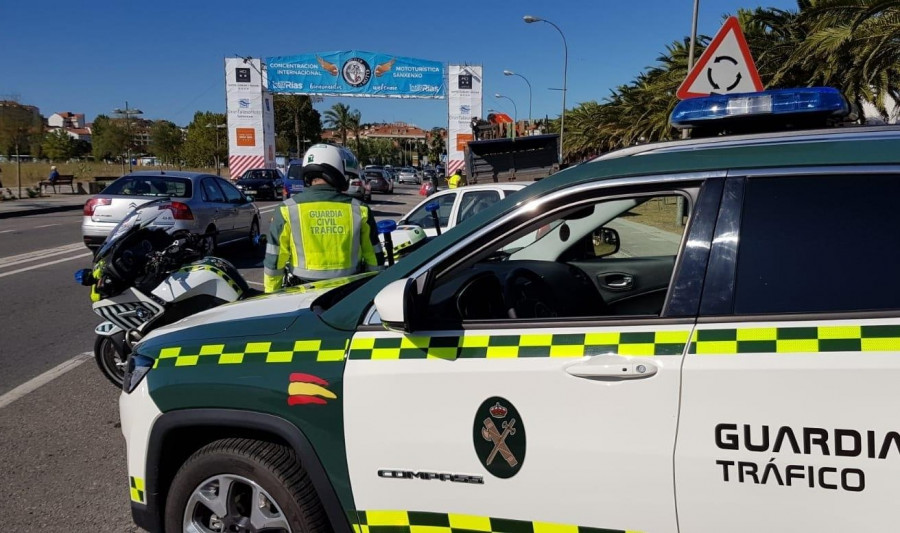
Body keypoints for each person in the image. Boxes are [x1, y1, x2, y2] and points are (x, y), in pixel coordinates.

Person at [263, 144, 384, 293]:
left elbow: (274, 261)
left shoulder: (287, 209)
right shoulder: (360, 210)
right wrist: (371, 292)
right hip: (347, 294)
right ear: (337, 172)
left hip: (301, 294)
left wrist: (270, 295)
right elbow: (374, 258)